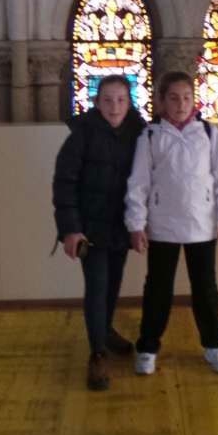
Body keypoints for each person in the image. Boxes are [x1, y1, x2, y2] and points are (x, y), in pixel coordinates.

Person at [125, 71, 218, 375]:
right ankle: (148, 347)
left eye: (186, 98)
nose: (181, 104)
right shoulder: (150, 137)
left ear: (194, 100)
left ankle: (215, 345)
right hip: (162, 225)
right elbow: (139, 182)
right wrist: (136, 224)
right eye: (174, 98)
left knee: (205, 287)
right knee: (158, 288)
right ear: (162, 101)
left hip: (201, 224)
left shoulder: (208, 134)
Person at [52, 75, 146, 391]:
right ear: (96, 102)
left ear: (130, 102)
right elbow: (64, 184)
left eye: (121, 100)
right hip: (90, 228)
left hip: (121, 226)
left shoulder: (140, 133)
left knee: (113, 284)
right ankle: (97, 354)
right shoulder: (81, 135)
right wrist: (71, 230)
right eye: (107, 100)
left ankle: (104, 331)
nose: (114, 107)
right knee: (97, 286)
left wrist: (142, 222)